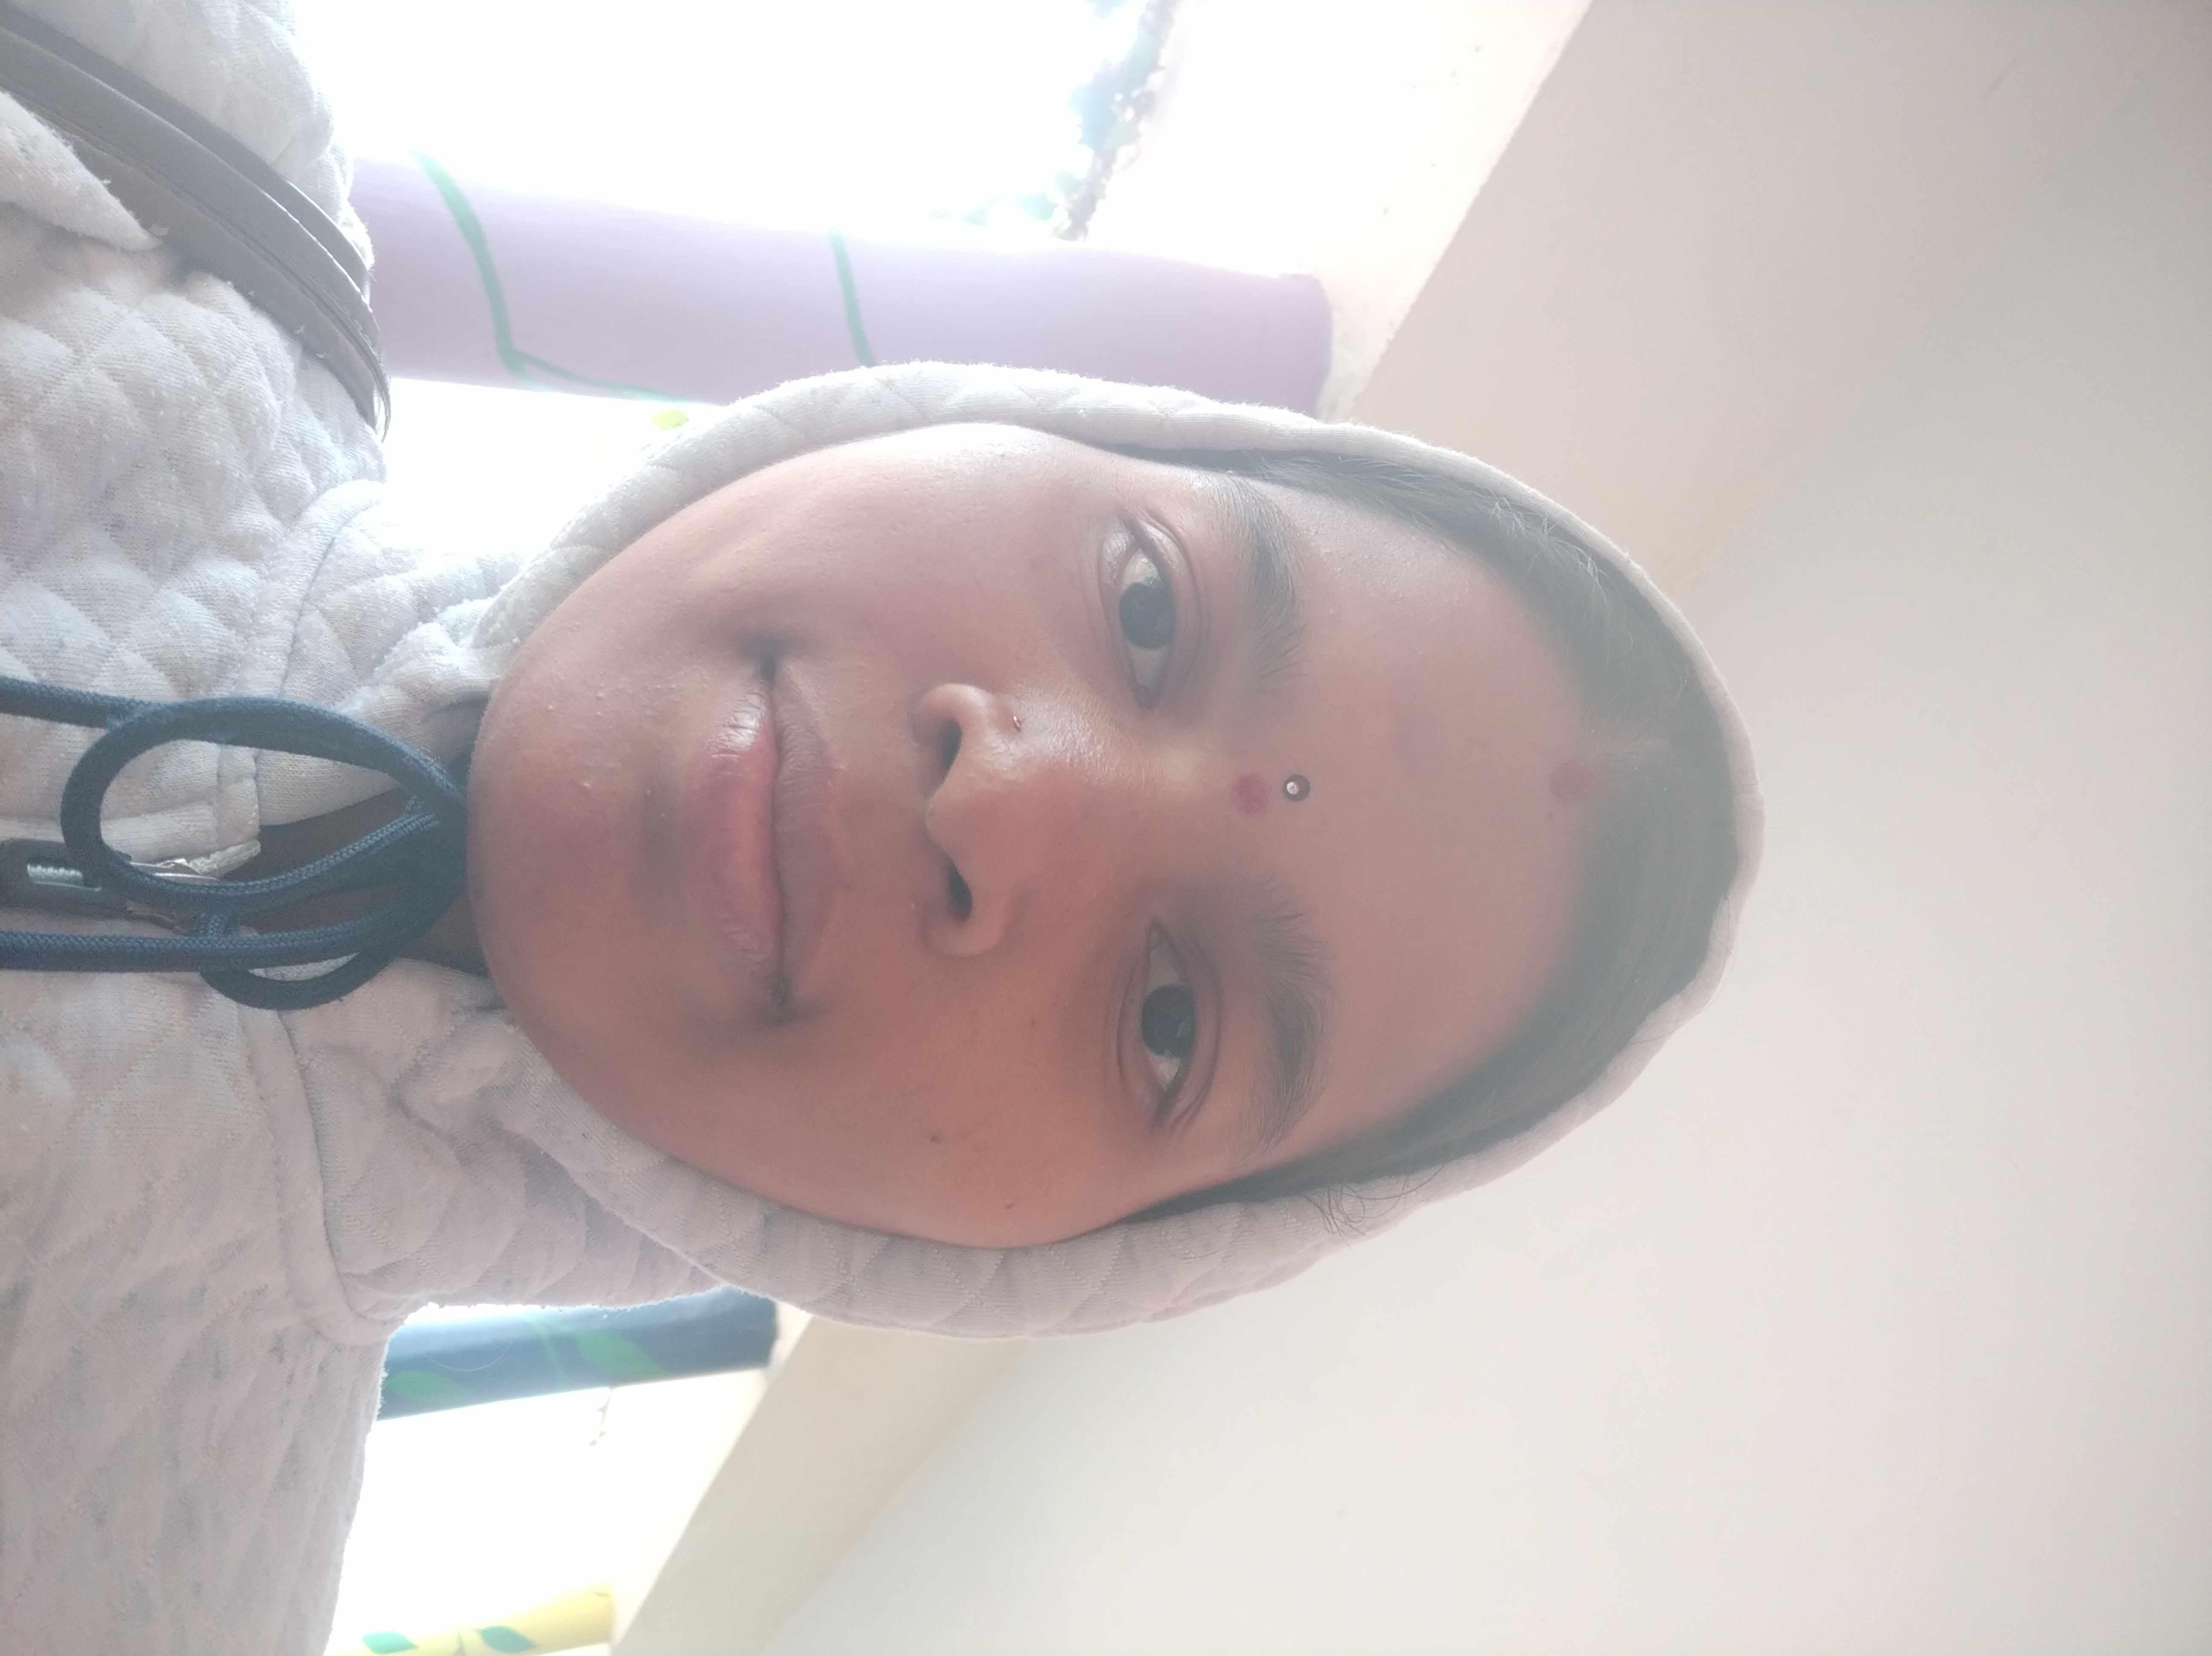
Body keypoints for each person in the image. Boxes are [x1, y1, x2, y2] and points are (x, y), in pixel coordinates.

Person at [0, 1, 1759, 1649]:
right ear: (998, 417)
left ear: (1050, 1261)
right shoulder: (157, 132)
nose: (1009, 798)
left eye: (1171, 1020)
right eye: (1148, 605)